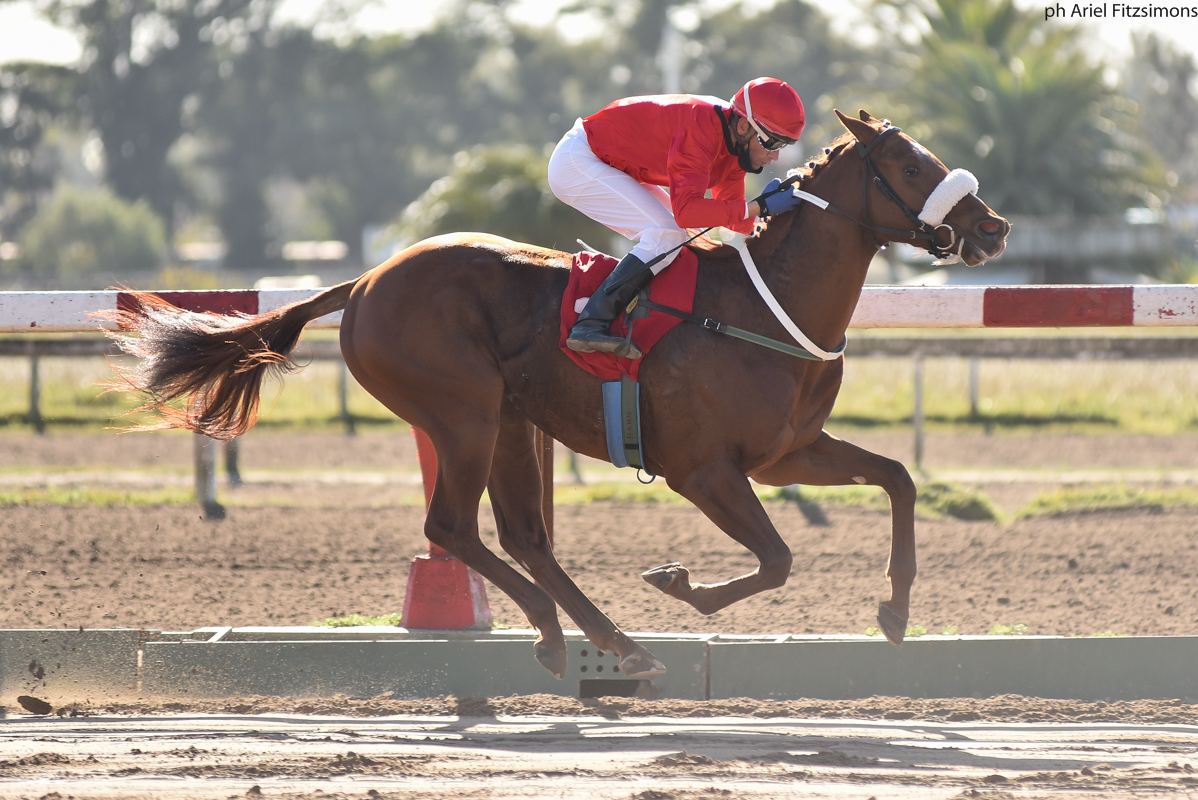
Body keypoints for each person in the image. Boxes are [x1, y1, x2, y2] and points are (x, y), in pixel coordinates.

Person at [548, 77, 807, 359]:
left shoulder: (735, 144)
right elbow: (687, 213)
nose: (775, 156)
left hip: (612, 163)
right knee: (667, 233)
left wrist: (773, 218)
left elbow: (734, 217)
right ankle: (590, 322)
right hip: (578, 160)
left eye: (783, 145)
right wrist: (758, 206)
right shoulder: (699, 128)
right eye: (772, 142)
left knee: (688, 238)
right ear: (744, 126)